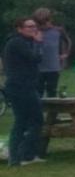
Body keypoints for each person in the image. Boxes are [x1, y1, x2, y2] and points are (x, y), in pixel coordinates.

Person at [4, 18, 46, 166]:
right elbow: (35, 58)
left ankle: (23, 155)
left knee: (27, 121)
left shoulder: (24, 42)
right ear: (19, 28)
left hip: (26, 86)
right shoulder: (17, 42)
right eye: (29, 26)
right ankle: (20, 156)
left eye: (34, 26)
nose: (33, 29)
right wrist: (39, 43)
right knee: (30, 121)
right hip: (20, 87)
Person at [33, 8, 71, 98]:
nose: (43, 26)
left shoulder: (58, 30)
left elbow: (68, 41)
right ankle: (38, 111)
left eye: (45, 22)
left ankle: (53, 111)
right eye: (40, 23)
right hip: (37, 68)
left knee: (52, 91)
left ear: (50, 20)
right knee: (38, 92)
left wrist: (66, 53)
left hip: (53, 68)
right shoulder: (34, 31)